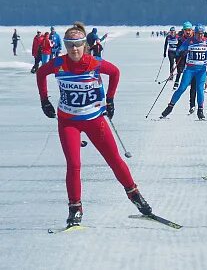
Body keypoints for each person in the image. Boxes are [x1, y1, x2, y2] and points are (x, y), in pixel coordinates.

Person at [36, 22, 152, 227]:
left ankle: (135, 195)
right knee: (74, 165)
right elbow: (40, 73)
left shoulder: (94, 63)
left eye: (78, 44)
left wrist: (110, 99)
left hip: (94, 120)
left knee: (114, 159)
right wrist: (44, 100)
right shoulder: (58, 63)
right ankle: (75, 209)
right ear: (65, 45)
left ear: (84, 45)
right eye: (70, 44)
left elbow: (115, 72)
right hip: (68, 122)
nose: (74, 49)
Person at [160, 24, 207, 120]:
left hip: (201, 70)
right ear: (195, 33)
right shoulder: (189, 41)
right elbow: (179, 50)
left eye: (202, 34)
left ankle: (200, 111)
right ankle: (170, 107)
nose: (200, 36)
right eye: (198, 34)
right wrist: (182, 52)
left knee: (200, 89)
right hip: (189, 70)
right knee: (182, 88)